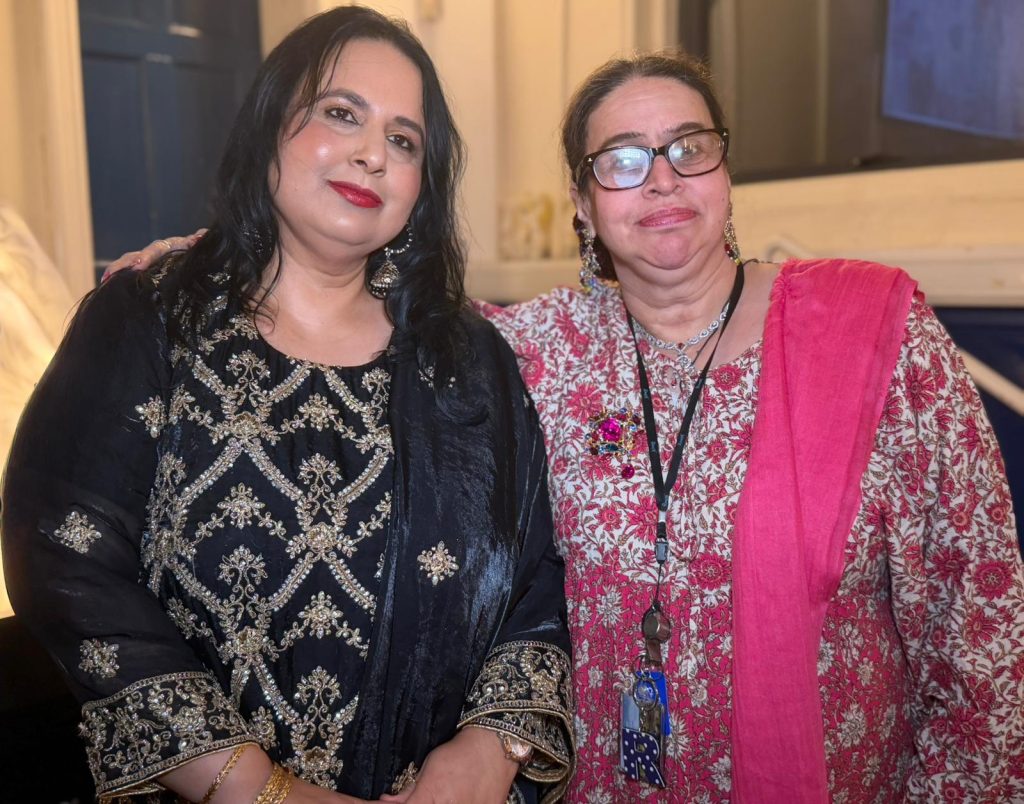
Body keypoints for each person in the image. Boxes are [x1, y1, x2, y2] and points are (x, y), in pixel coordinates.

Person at [106, 51, 1024, 802]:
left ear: (725, 172)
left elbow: (979, 621)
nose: (660, 179)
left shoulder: (871, 334)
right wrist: (213, 255)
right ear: (583, 204)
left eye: (689, 147)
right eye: (621, 159)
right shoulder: (529, 353)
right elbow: (358, 294)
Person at [0, 8, 573, 804]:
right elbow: (66, 555)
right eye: (341, 113)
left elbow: (539, 574)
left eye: (404, 140)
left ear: (422, 185)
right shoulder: (151, 320)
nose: (373, 153)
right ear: (271, 121)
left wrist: (489, 751)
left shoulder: (467, 362)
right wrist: (257, 788)